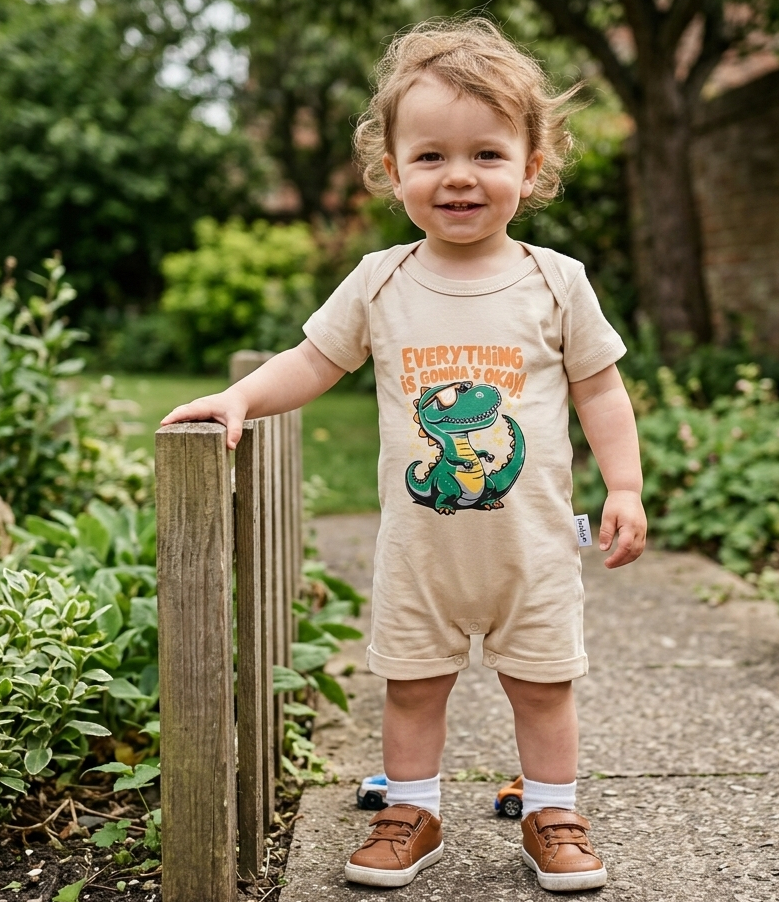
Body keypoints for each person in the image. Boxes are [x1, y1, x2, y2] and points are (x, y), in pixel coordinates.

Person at [161, 17, 646, 893]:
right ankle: (411, 812)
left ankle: (552, 814)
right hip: (419, 552)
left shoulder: (556, 280)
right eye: (431, 156)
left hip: (532, 549)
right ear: (392, 171)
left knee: (543, 686)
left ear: (531, 167)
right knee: (412, 686)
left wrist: (626, 486)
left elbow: (600, 389)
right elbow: (314, 360)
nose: (458, 175)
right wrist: (240, 398)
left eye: (487, 154)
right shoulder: (380, 280)